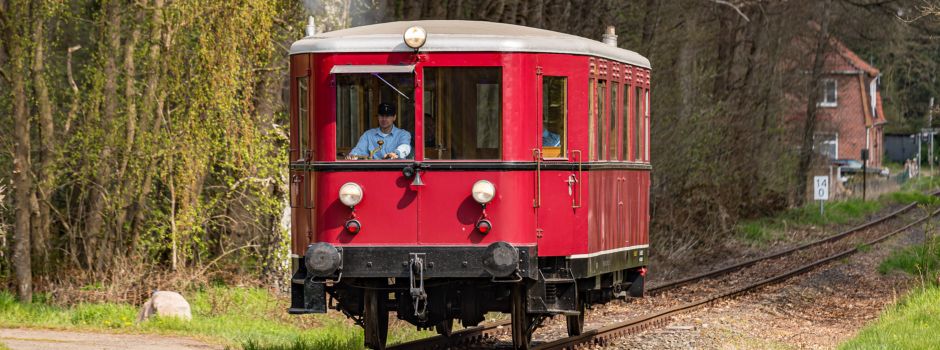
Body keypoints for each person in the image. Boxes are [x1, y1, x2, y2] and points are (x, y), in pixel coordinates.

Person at [347, 103, 412, 159]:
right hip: (373, 171)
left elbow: (405, 147)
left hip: (396, 171)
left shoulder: (403, 134)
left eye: (387, 116)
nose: (384, 119)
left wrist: (396, 153)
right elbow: (359, 150)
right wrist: (353, 156)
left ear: (394, 117)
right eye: (381, 116)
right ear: (378, 117)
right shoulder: (368, 135)